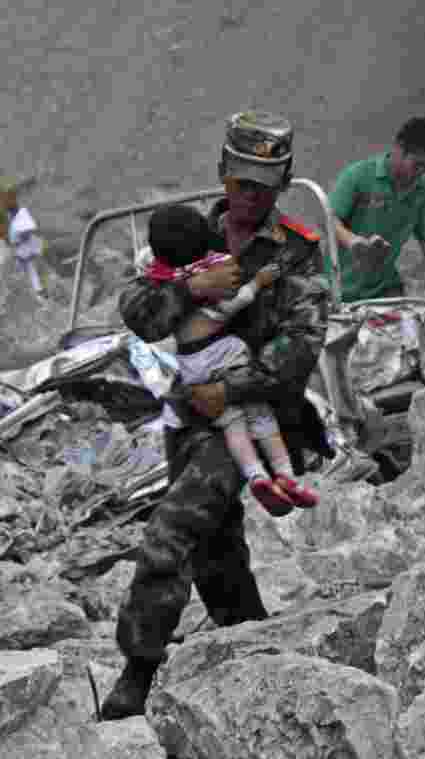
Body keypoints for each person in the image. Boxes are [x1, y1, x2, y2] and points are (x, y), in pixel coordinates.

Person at [100, 111, 334, 720]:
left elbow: (301, 347)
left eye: (264, 183)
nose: (251, 195)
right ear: (223, 174)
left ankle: (138, 672)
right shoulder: (185, 236)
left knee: (170, 533)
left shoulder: (297, 254)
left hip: (254, 417)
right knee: (215, 547)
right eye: (241, 181)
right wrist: (191, 292)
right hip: (189, 417)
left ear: (283, 183)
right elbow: (138, 308)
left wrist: (229, 391)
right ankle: (249, 636)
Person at [145, 203, 319, 516]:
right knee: (259, 415)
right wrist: (257, 282)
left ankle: (256, 476)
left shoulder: (161, 276)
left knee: (233, 423)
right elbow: (230, 306)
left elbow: (302, 339)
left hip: (191, 367)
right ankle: (286, 476)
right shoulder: (209, 271)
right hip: (222, 356)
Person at [325, 117, 425, 464]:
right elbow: (330, 219)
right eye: (415, 164)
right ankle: (347, 432)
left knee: (399, 352)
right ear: (398, 149)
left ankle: (401, 427)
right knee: (348, 361)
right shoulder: (359, 177)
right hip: (344, 288)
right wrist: (356, 243)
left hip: (385, 286)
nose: (418, 173)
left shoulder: (420, 192)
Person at [1, 177, 46, 298]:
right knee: (26, 270)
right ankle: (37, 290)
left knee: (30, 269)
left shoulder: (21, 214)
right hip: (19, 248)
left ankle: (39, 290)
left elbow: (30, 228)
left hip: (24, 247)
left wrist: (20, 237)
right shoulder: (13, 215)